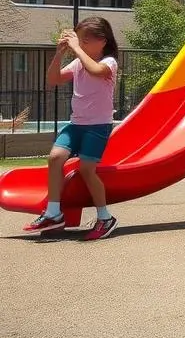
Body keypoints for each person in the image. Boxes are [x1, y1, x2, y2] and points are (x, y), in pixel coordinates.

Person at [24, 17, 120, 239]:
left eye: (86, 40)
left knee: (87, 169)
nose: (81, 44)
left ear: (102, 41)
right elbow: (53, 79)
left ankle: (105, 218)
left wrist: (76, 48)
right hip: (76, 124)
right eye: (80, 39)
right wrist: (59, 54)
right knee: (55, 157)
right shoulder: (78, 63)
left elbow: (96, 70)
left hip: (97, 125)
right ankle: (54, 213)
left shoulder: (109, 63)